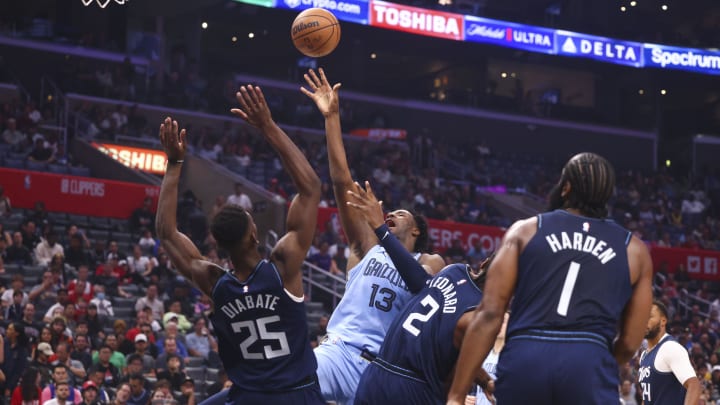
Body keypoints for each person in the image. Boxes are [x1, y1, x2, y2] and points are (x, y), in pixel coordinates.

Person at [155, 84, 323, 403]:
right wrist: (267, 125)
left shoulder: (215, 283)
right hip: (297, 394)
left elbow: (166, 232)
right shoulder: (283, 265)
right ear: (254, 234)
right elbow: (311, 187)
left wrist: (174, 164)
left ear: (217, 243)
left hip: (249, 396)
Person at [447, 152, 654, 405]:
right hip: (588, 357)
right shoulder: (634, 250)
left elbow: (489, 314)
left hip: (527, 354)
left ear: (565, 188)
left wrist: (456, 396)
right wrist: (593, 363)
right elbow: (631, 342)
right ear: (608, 195)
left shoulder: (525, 230)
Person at [302, 67, 445, 404]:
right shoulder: (367, 245)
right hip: (338, 350)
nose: (392, 213)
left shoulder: (429, 262)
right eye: (389, 212)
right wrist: (332, 117)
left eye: (401, 214)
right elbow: (340, 182)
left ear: (417, 229)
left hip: (382, 370)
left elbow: (429, 296)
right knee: (291, 390)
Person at [638, 300, 701, 404]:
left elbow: (694, 386)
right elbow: (647, 397)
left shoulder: (670, 348)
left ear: (663, 321)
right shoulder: (644, 355)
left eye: (649, 316)